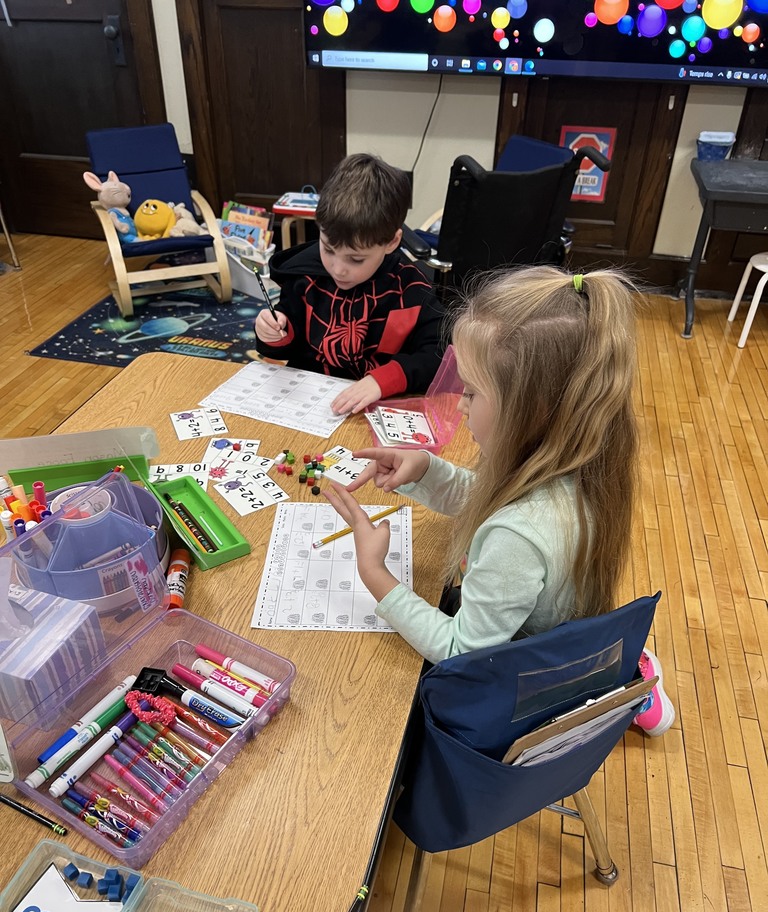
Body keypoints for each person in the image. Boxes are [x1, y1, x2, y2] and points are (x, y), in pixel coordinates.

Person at [325, 265, 675, 736]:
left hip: (518, 681)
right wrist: (427, 469)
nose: (461, 405)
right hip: (561, 629)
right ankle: (613, 664)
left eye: (470, 391)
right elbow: (493, 502)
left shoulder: (518, 538)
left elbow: (459, 650)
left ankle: (612, 679)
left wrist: (375, 574)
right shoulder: (576, 459)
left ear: (532, 409)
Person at [255, 154, 444, 416]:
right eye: (328, 249)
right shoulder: (305, 276)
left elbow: (440, 355)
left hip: (380, 408)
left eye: (356, 259)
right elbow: (289, 341)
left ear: (391, 242)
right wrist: (273, 334)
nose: (338, 268)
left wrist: (383, 380)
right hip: (310, 405)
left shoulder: (412, 289)